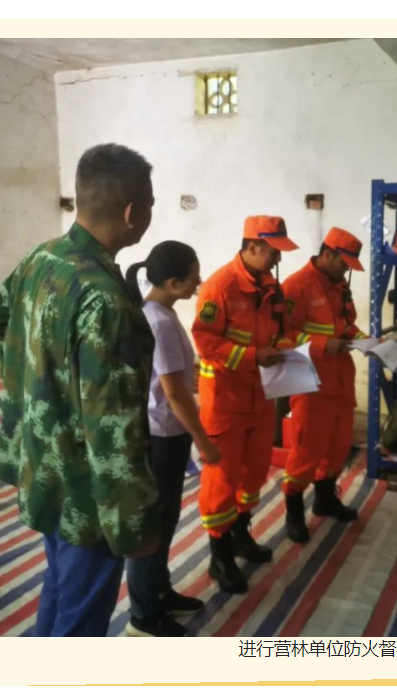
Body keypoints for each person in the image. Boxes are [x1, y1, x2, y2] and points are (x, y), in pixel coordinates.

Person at [0, 143, 160, 637]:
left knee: (60, 588)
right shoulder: (106, 300)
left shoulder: (42, 259)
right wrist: (132, 525)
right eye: (151, 203)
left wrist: (32, 381)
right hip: (87, 493)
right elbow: (113, 430)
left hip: (43, 465)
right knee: (79, 621)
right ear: (132, 212)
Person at [191, 215, 298, 593]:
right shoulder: (219, 286)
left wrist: (284, 349)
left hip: (260, 397)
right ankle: (219, 556)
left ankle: (240, 535)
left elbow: (280, 331)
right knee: (221, 480)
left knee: (253, 473)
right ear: (252, 246)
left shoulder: (271, 287)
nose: (278, 259)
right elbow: (206, 341)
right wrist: (254, 356)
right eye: (273, 252)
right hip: (225, 401)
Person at [123, 241, 223, 637]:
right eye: (194, 277)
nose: (199, 283)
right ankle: (143, 616)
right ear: (172, 282)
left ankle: (160, 592)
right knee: (152, 523)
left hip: (168, 430)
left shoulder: (161, 313)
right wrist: (204, 442)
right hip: (162, 434)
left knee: (165, 518)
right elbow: (175, 394)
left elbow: (175, 380)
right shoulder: (159, 322)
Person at [281, 227, 368, 543]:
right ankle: (293, 512)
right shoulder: (296, 286)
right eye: (344, 264)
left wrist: (366, 340)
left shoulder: (340, 286)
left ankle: (325, 499)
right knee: (307, 450)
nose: (346, 271)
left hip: (341, 381)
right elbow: (282, 335)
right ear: (327, 254)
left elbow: (347, 326)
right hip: (310, 383)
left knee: (338, 445)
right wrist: (321, 344)